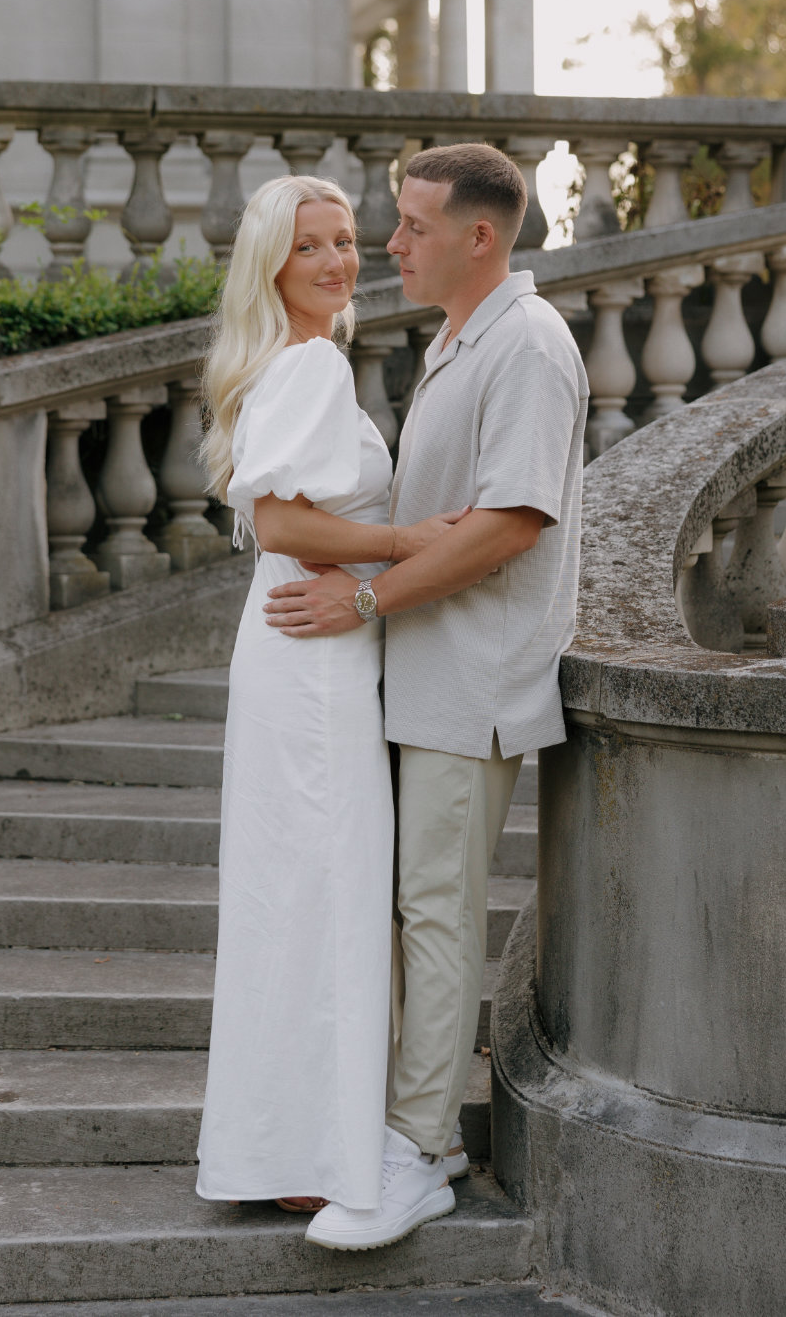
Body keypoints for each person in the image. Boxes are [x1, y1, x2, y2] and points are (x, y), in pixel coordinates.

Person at [263, 143, 588, 1252]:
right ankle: (405, 1132)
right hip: (418, 671)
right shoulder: (458, 339)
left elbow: (505, 527)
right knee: (408, 911)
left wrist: (365, 599)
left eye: (410, 225)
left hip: (472, 679)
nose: (387, 244)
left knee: (436, 913)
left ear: (480, 235)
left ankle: (419, 1154)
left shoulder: (530, 347)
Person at [195, 174, 463, 1217]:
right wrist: (402, 545)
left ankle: (287, 1152)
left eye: (348, 240)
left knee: (298, 902)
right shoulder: (305, 363)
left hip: (303, 651)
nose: (338, 261)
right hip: (309, 659)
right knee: (323, 901)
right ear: (273, 264)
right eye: (312, 245)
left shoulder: (299, 361)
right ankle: (314, 1161)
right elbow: (284, 523)